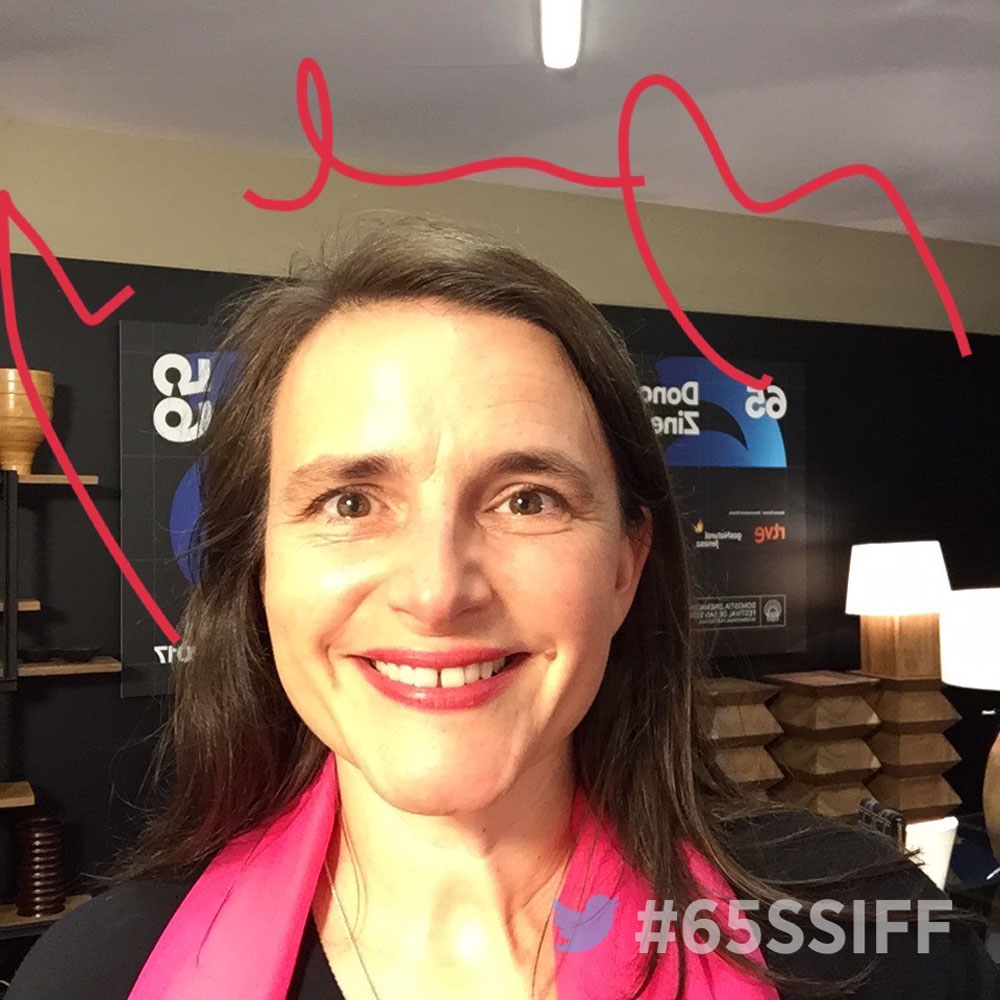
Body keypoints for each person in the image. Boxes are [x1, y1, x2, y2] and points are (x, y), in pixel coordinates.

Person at [6, 216, 998, 1000]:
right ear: (259, 571)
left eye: (527, 499)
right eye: (349, 502)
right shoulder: (96, 978)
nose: (437, 589)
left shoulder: (870, 937)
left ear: (627, 565)